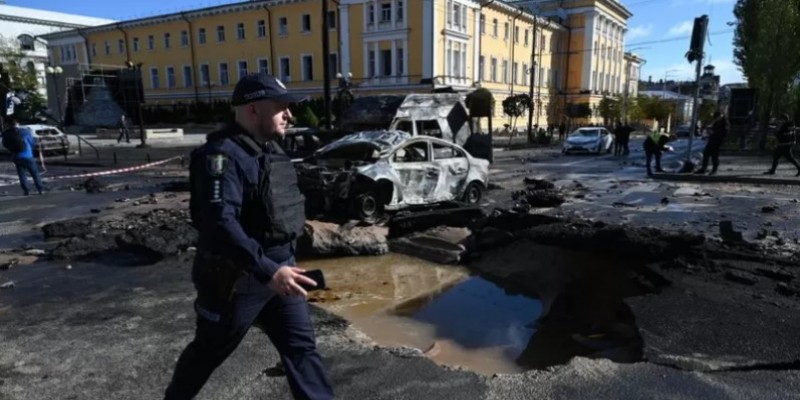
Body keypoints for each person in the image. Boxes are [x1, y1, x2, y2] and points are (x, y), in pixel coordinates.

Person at [163, 72, 334, 400]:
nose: (290, 114)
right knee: (208, 352)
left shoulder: (269, 150)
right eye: (281, 107)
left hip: (283, 271)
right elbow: (219, 224)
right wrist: (268, 271)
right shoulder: (221, 157)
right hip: (237, 280)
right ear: (253, 109)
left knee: (302, 350)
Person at [1, 117, 44, 195]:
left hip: (16, 156)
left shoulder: (7, 133)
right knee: (35, 173)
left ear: (9, 125)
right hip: (27, 155)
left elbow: (5, 144)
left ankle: (26, 190)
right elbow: (32, 142)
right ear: (17, 124)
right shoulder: (25, 132)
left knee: (22, 174)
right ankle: (40, 189)